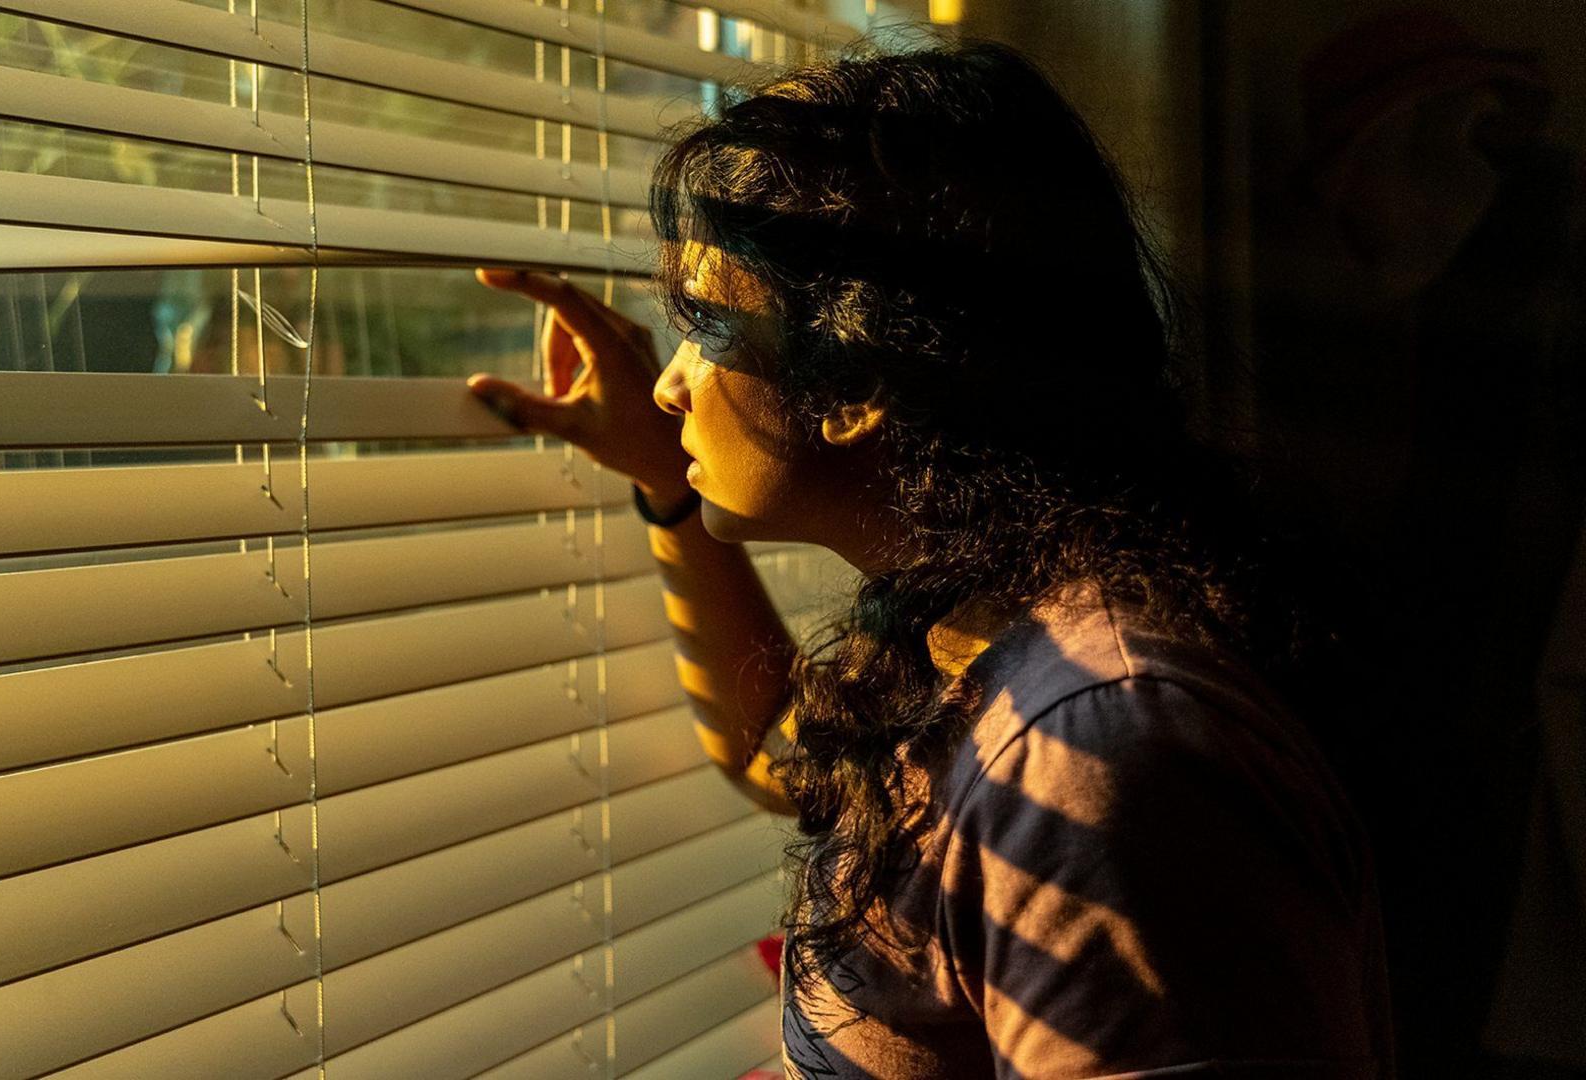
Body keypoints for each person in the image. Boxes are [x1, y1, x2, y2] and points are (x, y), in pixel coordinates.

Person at [468, 40, 1396, 1079]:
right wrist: (666, 489)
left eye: (709, 330)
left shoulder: (1098, 750)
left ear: (861, 379)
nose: (667, 386)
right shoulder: (967, 636)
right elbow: (780, 755)